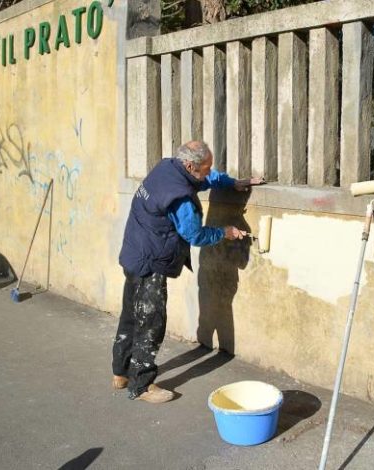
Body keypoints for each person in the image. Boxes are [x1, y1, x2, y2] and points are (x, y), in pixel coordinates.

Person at [111, 140, 263, 403]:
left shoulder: (168, 168)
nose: (207, 173)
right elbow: (194, 234)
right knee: (151, 321)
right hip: (151, 260)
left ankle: (121, 372)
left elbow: (205, 179)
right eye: (205, 168)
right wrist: (225, 232)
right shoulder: (180, 197)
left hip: (134, 251)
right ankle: (142, 385)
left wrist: (231, 182)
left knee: (130, 314)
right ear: (191, 165)